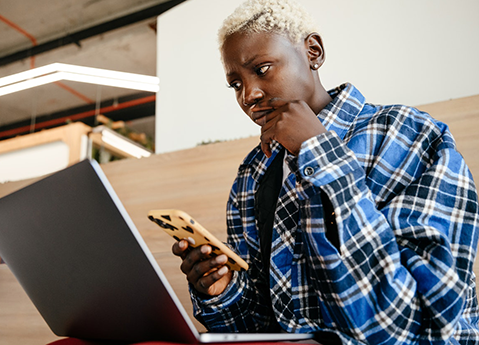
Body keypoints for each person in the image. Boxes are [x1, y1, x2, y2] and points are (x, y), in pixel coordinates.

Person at [172, 0, 479, 343]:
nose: (249, 95)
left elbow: (411, 323)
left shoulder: (411, 135)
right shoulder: (253, 174)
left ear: (313, 51)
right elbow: (261, 330)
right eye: (235, 84)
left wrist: (320, 152)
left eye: (261, 69)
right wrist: (222, 291)